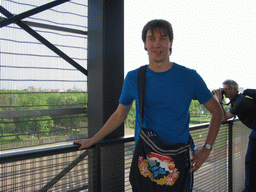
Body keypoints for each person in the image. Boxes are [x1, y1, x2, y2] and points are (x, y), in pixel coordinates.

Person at [74, 19, 223, 191]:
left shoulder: (189, 77)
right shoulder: (134, 78)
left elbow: (216, 112)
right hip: (145, 162)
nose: (157, 44)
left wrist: (207, 149)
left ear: (171, 43)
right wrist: (92, 140)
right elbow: (119, 115)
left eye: (163, 38)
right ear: (145, 44)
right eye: (151, 38)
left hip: (179, 161)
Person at [214, 80, 256, 192]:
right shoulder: (240, 100)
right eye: (223, 89)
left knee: (250, 162)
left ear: (235, 90)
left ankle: (249, 189)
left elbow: (223, 117)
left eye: (227, 89)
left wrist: (219, 101)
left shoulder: (240, 102)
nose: (224, 91)